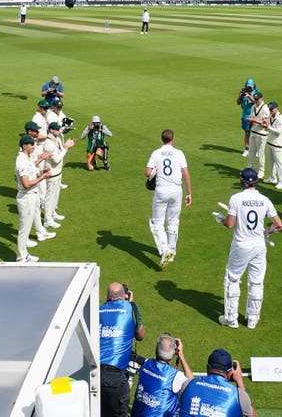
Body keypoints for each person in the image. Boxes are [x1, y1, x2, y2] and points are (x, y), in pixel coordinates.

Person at [217, 167, 282, 329]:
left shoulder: (236, 198)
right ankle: (252, 319)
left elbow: (230, 224)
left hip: (241, 245)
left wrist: (221, 219)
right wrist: (267, 232)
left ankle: (231, 318)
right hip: (259, 246)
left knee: (232, 279)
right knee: (256, 283)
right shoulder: (265, 200)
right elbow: (279, 225)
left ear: (242, 181)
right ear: (256, 181)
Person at [145, 129, 192, 268]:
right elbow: (186, 174)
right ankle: (172, 251)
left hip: (161, 190)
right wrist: (189, 193)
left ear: (161, 139)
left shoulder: (156, 153)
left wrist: (154, 171)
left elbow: (147, 173)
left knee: (157, 223)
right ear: (173, 139)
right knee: (173, 221)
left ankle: (165, 249)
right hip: (177, 190)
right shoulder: (179, 153)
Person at [100, 282, 146, 417]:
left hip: (95, 372)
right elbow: (140, 336)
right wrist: (132, 304)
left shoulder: (98, 309)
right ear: (125, 296)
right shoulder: (131, 308)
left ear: (107, 297)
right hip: (116, 376)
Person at [177, 349, 254, 417]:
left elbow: (192, 386)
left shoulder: (187, 385)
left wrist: (181, 356)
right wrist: (239, 381)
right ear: (230, 372)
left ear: (207, 368)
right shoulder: (239, 396)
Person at [131, 333, 192, 417]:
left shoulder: (146, 364)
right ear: (174, 353)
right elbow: (191, 384)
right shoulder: (175, 375)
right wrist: (181, 355)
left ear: (156, 350)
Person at [13, 134, 52, 263]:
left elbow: (32, 173)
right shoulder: (22, 161)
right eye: (31, 144)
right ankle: (21, 257)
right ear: (24, 146)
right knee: (24, 229)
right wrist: (42, 178)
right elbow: (26, 183)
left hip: (31, 195)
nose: (33, 146)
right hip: (27, 197)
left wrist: (42, 172)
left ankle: (24, 254)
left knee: (27, 227)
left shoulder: (27, 158)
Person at [41, 121, 75, 228]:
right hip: (52, 174)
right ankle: (47, 220)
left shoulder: (57, 138)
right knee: (49, 197)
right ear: (51, 130)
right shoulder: (48, 143)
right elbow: (56, 159)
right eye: (56, 129)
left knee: (55, 196)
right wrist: (66, 148)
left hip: (58, 172)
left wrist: (65, 146)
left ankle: (53, 213)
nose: (58, 131)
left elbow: (61, 150)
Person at [245, 91, 269, 180]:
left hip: (262, 134)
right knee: (251, 151)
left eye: (258, 99)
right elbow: (252, 118)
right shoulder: (253, 107)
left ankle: (261, 170)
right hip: (253, 132)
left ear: (261, 98)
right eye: (255, 99)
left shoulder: (265, 108)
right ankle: (250, 167)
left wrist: (253, 120)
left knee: (261, 153)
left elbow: (265, 123)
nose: (256, 101)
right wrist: (250, 120)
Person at [264, 100, 282, 189]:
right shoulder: (270, 116)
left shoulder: (281, 118)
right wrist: (265, 126)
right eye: (270, 109)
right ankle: (273, 178)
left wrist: (268, 127)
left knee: (279, 163)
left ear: (276, 108)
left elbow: (278, 132)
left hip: (277, 144)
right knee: (271, 162)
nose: (271, 111)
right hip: (269, 142)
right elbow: (268, 128)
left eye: (272, 109)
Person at [236, 78, 256, 156]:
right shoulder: (243, 92)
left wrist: (249, 96)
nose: (249, 88)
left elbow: (256, 103)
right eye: (248, 86)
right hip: (245, 115)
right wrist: (240, 96)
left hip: (254, 116)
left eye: (250, 87)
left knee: (255, 133)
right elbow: (238, 103)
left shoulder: (256, 93)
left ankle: (256, 150)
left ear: (254, 86)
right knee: (247, 132)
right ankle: (247, 149)